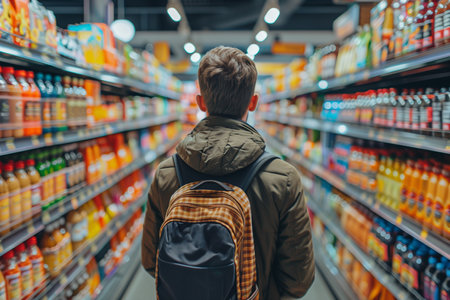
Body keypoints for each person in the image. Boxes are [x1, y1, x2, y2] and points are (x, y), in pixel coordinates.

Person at [141, 46, 315, 300]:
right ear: (253, 102)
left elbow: (150, 260)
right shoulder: (283, 178)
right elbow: (298, 279)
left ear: (200, 102)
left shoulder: (167, 173)